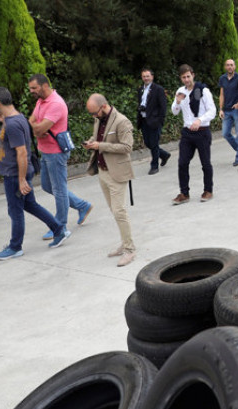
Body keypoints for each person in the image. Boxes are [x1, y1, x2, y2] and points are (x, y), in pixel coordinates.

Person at [0, 86, 68, 259]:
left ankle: (15, 246)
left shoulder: (12, 124)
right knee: (29, 204)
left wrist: (21, 179)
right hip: (16, 173)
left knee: (15, 210)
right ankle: (58, 230)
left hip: (14, 174)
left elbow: (22, 152)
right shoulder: (15, 119)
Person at [28, 74, 93, 240]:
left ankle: (60, 226)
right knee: (48, 186)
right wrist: (37, 127)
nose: (31, 91)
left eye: (34, 88)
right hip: (45, 151)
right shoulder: (41, 101)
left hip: (56, 152)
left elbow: (39, 129)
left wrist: (37, 128)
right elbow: (31, 121)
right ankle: (82, 206)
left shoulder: (56, 103)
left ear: (44, 85)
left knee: (58, 190)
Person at [83, 94, 137, 266]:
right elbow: (97, 138)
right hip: (103, 171)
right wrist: (91, 142)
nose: (93, 117)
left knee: (119, 211)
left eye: (94, 113)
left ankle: (130, 249)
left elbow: (127, 147)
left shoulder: (122, 121)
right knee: (114, 210)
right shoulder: (99, 119)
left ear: (104, 106)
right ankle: (125, 242)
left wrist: (100, 146)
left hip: (117, 172)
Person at [171, 64, 215, 204]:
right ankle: (184, 193)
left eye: (188, 76)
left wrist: (199, 120)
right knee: (182, 163)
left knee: (205, 163)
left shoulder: (203, 91)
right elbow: (174, 111)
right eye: (183, 77)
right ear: (181, 78)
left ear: (193, 75)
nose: (186, 79)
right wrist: (177, 102)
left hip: (202, 132)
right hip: (187, 133)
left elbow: (212, 111)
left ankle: (208, 190)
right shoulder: (180, 91)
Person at [137, 68, 171, 175]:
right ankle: (164, 155)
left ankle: (154, 166)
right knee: (148, 143)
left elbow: (163, 106)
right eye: (144, 76)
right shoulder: (140, 89)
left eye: (148, 76)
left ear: (152, 76)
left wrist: (160, 120)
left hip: (154, 120)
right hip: (143, 120)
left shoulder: (158, 89)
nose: (146, 78)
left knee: (154, 143)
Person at [218, 59, 238, 167]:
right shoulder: (222, 79)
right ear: (225, 67)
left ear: (235, 66)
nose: (230, 67)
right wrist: (220, 109)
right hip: (227, 110)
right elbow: (221, 94)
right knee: (225, 133)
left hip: (237, 109)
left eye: (231, 65)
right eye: (228, 65)